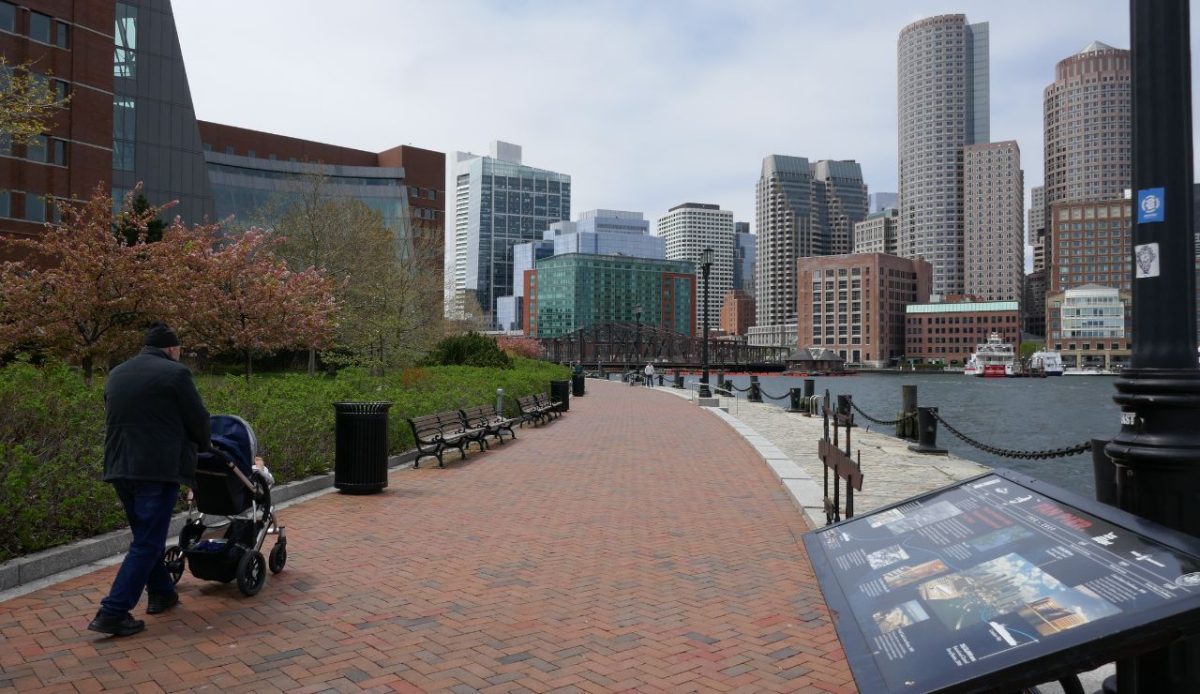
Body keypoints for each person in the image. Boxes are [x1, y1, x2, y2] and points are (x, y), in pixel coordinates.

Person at [88, 322, 210, 637]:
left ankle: (162, 592)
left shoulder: (117, 372)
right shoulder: (176, 374)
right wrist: (204, 445)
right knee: (147, 541)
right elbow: (198, 419)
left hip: (119, 466)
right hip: (156, 468)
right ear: (171, 348)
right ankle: (113, 611)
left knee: (146, 535)